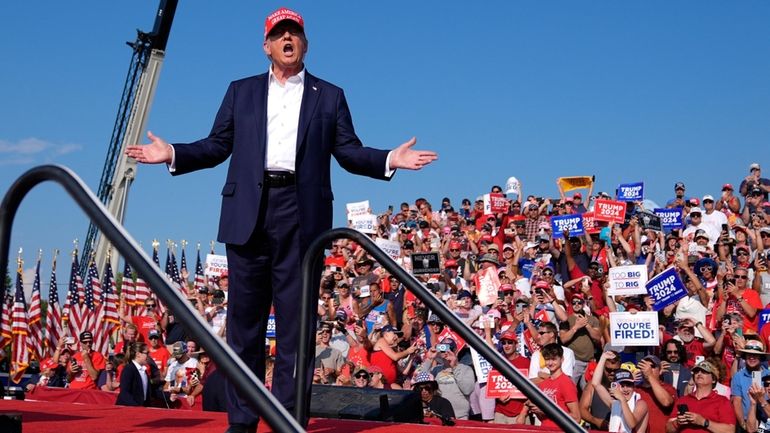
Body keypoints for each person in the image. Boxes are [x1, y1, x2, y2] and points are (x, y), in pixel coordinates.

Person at [125, 7, 437, 432]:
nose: (287, 40)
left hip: (302, 213)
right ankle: (242, 421)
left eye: (295, 33)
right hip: (248, 212)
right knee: (244, 329)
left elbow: (347, 151)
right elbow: (217, 145)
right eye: (279, 34)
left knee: (297, 328)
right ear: (266, 45)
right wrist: (174, 153)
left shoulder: (330, 95)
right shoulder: (242, 91)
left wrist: (388, 159)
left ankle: (290, 421)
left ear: (305, 43)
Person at [665, 361, 736, 433]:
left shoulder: (722, 401)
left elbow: (730, 431)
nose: (699, 374)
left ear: (714, 379)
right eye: (696, 372)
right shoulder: (683, 400)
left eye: (704, 372)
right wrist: (677, 422)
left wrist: (703, 422)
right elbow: (668, 429)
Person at [116, 342, 151, 407]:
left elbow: (148, 391)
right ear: (138, 354)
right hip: (128, 409)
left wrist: (169, 396)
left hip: (141, 409)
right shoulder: (129, 369)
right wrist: (136, 407)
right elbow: (124, 393)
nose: (149, 356)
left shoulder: (144, 371)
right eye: (147, 353)